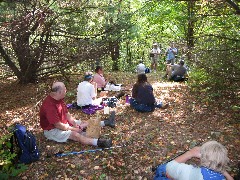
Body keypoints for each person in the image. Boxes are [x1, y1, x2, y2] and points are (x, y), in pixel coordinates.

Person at [40, 81, 115, 148]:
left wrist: (74, 124)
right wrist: (74, 129)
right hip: (52, 130)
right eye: (65, 90)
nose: (66, 91)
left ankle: (107, 122)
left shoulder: (59, 99)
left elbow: (67, 114)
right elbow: (58, 125)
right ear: (59, 92)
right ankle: (98, 143)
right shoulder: (49, 106)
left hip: (63, 123)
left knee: (83, 123)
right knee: (75, 135)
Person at [165, 141, 234, 180]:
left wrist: (189, 153)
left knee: (161, 169)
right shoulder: (220, 178)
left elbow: (168, 168)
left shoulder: (189, 171)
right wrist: (223, 171)